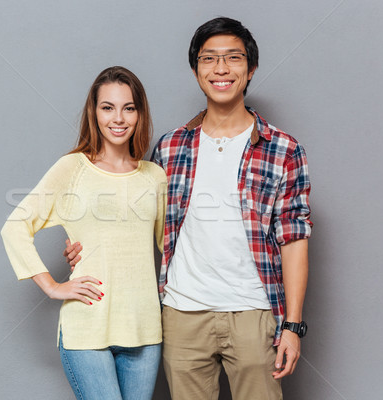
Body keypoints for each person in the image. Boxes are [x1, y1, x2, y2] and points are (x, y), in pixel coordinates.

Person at [65, 18, 312, 399]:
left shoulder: (283, 150)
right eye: (209, 59)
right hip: (181, 316)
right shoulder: (170, 148)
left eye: (233, 57)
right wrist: (86, 245)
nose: (221, 68)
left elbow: (294, 239)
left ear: (251, 69)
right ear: (197, 69)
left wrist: (292, 326)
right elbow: (134, 217)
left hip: (253, 313)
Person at [1, 66, 167, 400]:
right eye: (108, 107)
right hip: (87, 327)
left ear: (140, 113)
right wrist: (52, 286)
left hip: (144, 329)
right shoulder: (72, 168)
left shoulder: (155, 177)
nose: (118, 118)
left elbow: (171, 248)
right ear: (94, 113)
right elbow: (15, 226)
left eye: (128, 108)